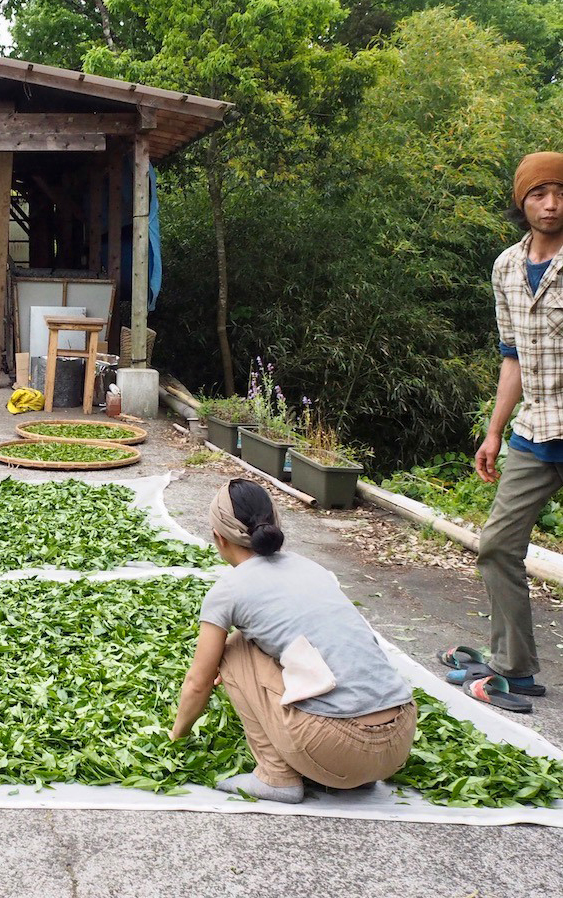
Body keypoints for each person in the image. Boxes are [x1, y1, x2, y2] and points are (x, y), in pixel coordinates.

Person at [169, 479, 416, 803]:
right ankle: (352, 779)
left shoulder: (228, 590)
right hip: (399, 741)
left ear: (218, 537)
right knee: (266, 639)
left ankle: (276, 777)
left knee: (232, 648)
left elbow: (198, 683)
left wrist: (175, 737)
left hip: (337, 747)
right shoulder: (312, 569)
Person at [451, 153, 563, 712]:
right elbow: (511, 357)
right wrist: (494, 432)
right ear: (522, 201)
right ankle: (514, 668)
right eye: (539, 194)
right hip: (535, 429)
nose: (551, 204)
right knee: (497, 545)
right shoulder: (505, 267)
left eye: (560, 193)